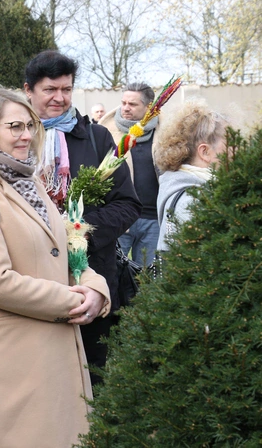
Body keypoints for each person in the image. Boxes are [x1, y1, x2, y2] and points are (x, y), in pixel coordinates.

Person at [0, 87, 111, 447]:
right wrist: (72, 301)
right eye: (15, 126)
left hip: (54, 353)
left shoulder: (31, 182)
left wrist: (96, 291)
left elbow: (68, 253)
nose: (27, 135)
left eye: (31, 125)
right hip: (9, 359)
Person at [23, 50, 141, 386]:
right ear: (28, 90)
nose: (60, 98)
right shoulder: (16, 138)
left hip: (90, 280)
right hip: (32, 279)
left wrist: (79, 231)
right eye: (50, 90)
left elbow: (128, 204)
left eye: (67, 89)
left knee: (90, 380)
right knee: (41, 381)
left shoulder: (96, 137)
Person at [154, 99, 229, 252]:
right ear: (205, 152)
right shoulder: (193, 201)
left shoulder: (177, 183)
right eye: (230, 143)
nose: (236, 150)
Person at [100, 82, 160, 267]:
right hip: (120, 216)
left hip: (153, 219)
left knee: (148, 278)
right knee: (115, 273)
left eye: (132, 104)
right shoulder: (106, 131)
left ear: (148, 107)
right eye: (123, 102)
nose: (125, 108)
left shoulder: (165, 132)